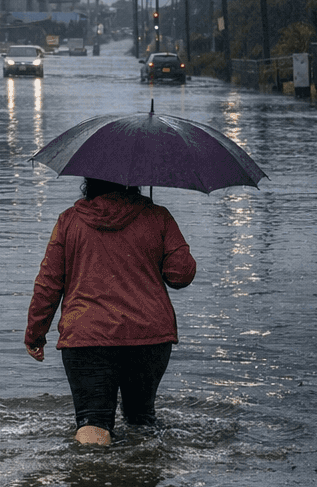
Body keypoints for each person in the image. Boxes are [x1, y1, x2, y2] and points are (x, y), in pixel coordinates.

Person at [24, 178, 196, 446]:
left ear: (89, 180)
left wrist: (35, 334)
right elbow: (181, 275)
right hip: (148, 337)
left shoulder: (69, 221)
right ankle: (147, 469)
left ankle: (91, 470)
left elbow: (49, 284)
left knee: (92, 421)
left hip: (87, 336)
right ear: (135, 180)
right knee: (141, 420)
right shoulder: (158, 217)